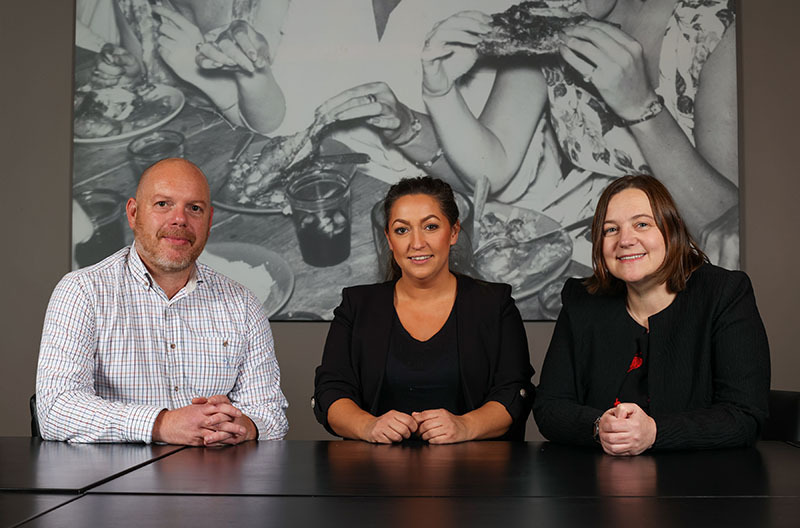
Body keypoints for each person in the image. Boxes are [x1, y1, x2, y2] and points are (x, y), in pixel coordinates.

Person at [418, 0, 740, 267]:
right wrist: (441, 92)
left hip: (675, 257)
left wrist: (640, 107)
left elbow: (724, 225)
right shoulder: (552, 16)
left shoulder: (715, 28)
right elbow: (493, 165)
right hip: (574, 247)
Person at [37, 158, 289, 444]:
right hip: (114, 484)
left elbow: (271, 414)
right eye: (163, 204)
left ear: (209, 221)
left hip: (214, 482)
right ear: (133, 213)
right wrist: (162, 424)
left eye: (194, 208)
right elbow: (56, 410)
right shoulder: (82, 292)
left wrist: (242, 426)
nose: (179, 219)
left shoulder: (242, 304)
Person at [533, 174, 769, 455]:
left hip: (702, 484)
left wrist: (654, 432)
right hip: (597, 485)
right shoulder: (582, 300)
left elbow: (744, 416)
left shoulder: (725, 294)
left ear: (672, 231)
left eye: (642, 224)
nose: (625, 240)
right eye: (611, 230)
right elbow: (549, 407)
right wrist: (598, 426)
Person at [313, 176, 535, 443]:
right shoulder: (356, 305)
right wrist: (368, 426)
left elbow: (514, 390)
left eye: (430, 226)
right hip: (375, 476)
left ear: (453, 233)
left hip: (477, 476)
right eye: (402, 230)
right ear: (389, 238)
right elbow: (331, 390)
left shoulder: (494, 304)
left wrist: (465, 426)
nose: (416, 243)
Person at [84, 0, 289, 134]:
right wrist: (130, 76)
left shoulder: (266, 6)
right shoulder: (132, 4)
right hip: (178, 147)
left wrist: (198, 71)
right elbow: (144, 87)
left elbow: (272, 123)